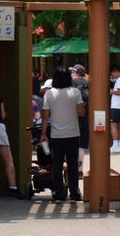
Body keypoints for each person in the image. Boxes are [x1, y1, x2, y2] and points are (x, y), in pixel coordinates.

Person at [39, 67, 85, 202]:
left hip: (56, 134)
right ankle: (74, 193)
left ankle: (58, 193)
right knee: (73, 163)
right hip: (73, 133)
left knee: (57, 164)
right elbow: (82, 113)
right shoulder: (75, 92)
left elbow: (45, 116)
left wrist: (43, 134)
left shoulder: (49, 94)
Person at [71, 64, 90, 170]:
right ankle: (80, 169)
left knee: (73, 145)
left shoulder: (72, 84)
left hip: (74, 118)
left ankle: (73, 169)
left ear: (74, 73)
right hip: (86, 118)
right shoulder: (89, 84)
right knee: (81, 146)